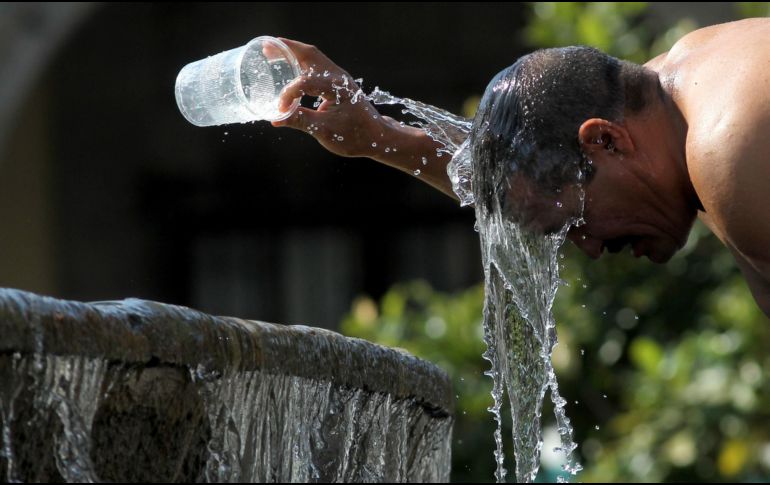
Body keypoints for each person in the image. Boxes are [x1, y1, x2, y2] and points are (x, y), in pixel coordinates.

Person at [271, 18, 770, 318]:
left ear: (605, 140)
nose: (591, 248)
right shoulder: (670, 99)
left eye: (574, 223)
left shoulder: (733, 155)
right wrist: (377, 136)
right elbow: (526, 173)